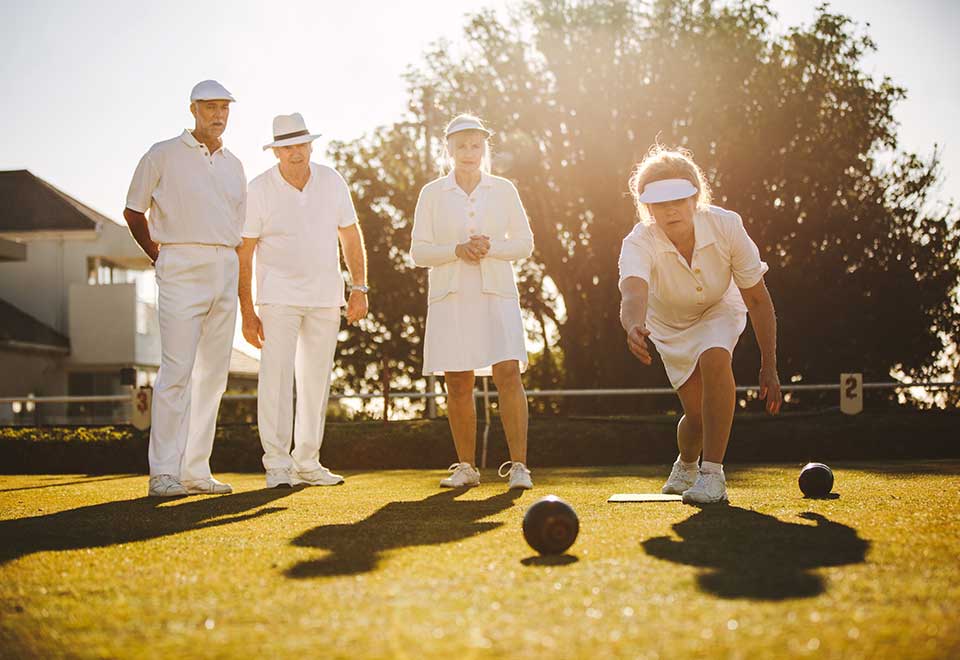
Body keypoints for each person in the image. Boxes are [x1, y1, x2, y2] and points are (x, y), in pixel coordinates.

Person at [618, 146, 782, 505]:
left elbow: (757, 298)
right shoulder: (638, 241)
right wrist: (633, 325)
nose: (670, 209)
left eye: (678, 198)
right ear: (646, 206)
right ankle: (686, 463)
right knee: (697, 416)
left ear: (696, 196)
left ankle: (712, 476)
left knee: (715, 357)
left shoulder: (726, 225)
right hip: (668, 325)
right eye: (659, 203)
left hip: (719, 306)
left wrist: (768, 365)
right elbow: (633, 293)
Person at [123, 80, 246, 497]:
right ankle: (163, 472)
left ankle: (195, 470)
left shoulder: (234, 164)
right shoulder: (161, 153)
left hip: (224, 265)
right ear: (192, 109)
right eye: (210, 107)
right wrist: (158, 254)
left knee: (213, 376)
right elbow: (133, 210)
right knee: (177, 371)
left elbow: (238, 228)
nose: (218, 115)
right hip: (178, 263)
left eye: (224, 108)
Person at [238, 113, 368, 488]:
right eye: (287, 147)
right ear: (276, 151)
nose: (296, 153)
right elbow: (244, 253)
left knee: (316, 380)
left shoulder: (331, 180)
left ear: (311, 145)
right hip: (278, 298)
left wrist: (358, 288)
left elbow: (350, 234)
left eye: (301, 145)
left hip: (326, 297)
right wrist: (248, 312)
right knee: (276, 379)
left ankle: (308, 461)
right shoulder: (259, 188)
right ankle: (277, 465)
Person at [410, 114, 535, 490]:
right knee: (458, 380)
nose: (469, 152)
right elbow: (418, 251)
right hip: (451, 296)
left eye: (476, 145)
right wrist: (457, 250)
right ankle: (466, 467)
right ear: (448, 148)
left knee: (508, 372)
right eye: (461, 145)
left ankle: (519, 467)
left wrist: (489, 247)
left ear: (484, 148)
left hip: (496, 293)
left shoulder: (504, 189)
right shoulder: (432, 193)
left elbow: (525, 243)